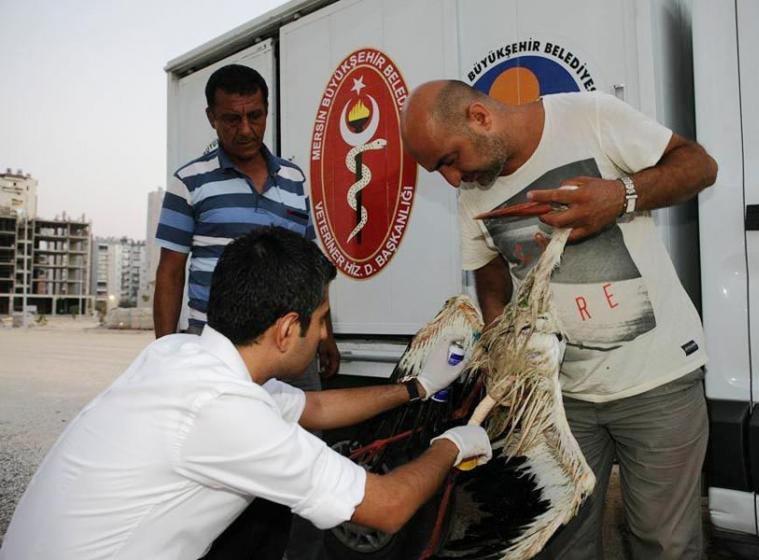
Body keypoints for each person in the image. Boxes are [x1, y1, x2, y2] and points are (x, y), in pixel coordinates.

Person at [0, 227, 492, 560]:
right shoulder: (221, 410)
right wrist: (454, 443)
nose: (324, 337)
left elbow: (314, 407)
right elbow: (385, 506)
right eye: (321, 322)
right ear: (285, 331)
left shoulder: (180, 356)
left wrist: (417, 387)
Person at [400, 80, 718, 560]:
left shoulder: (589, 116)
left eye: (448, 159)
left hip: (657, 383)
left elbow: (699, 166)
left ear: (479, 117)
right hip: (559, 401)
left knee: (664, 543)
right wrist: (504, 361)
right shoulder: (473, 194)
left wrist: (621, 195)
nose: (450, 180)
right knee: (562, 541)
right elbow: (492, 285)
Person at [153, 64, 337, 558]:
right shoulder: (189, 182)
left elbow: (311, 266)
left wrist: (326, 334)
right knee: (225, 484)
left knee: (309, 467)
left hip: (293, 354)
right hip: (220, 361)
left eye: (255, 116)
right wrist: (166, 350)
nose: (245, 129)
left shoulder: (295, 179)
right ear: (211, 118)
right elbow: (171, 272)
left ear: (267, 112)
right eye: (231, 118)